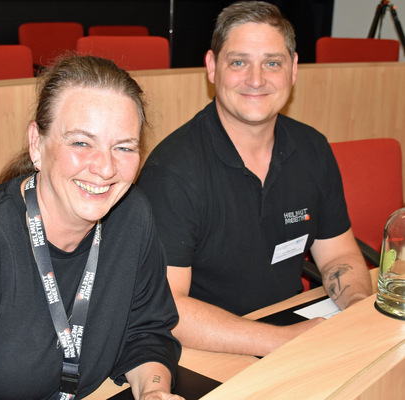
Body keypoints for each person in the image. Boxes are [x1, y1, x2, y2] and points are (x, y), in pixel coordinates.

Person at [0, 55, 184, 400]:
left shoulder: (132, 214)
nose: (106, 168)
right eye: (81, 143)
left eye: (124, 147)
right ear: (37, 144)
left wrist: (154, 391)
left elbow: (147, 331)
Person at [136, 1, 373, 358]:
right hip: (205, 347)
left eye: (272, 63)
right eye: (239, 62)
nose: (256, 80)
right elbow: (168, 309)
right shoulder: (172, 171)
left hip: (291, 326)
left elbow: (338, 254)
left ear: (293, 70)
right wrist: (282, 341)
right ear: (212, 67)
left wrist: (356, 309)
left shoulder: (312, 148)